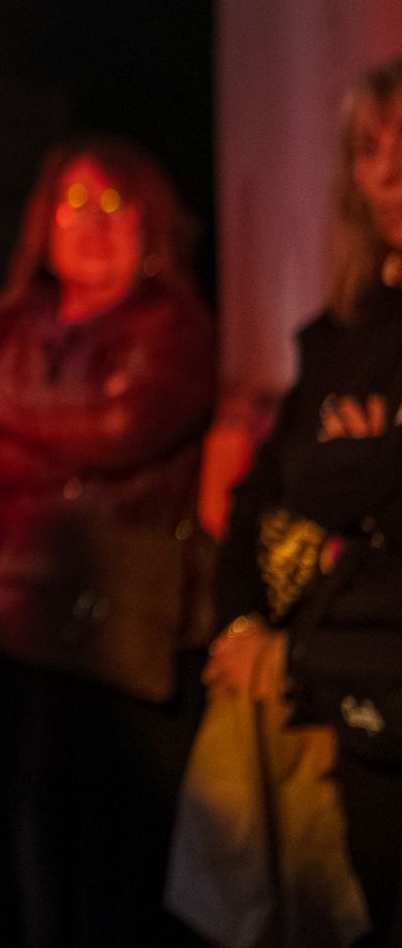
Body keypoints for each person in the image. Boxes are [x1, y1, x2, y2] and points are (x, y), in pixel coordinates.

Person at [0, 137, 215, 948]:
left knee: (97, 867)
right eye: (73, 203)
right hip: (3, 621)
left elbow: (122, 429)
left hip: (107, 640)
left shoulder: (171, 327)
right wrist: (53, 455)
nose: (93, 223)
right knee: (0, 850)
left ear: (152, 227)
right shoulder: (10, 320)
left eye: (116, 206)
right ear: (41, 221)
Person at [208, 56, 402, 945]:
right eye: (369, 148)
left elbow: (318, 485)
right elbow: (260, 499)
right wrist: (246, 624)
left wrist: (334, 485)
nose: (390, 170)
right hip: (339, 707)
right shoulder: (340, 335)